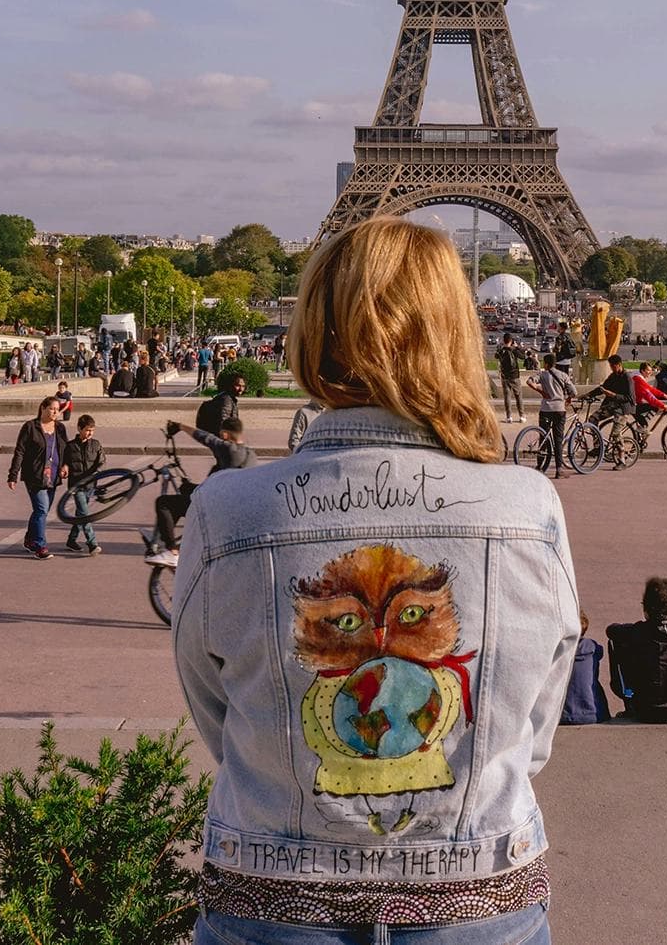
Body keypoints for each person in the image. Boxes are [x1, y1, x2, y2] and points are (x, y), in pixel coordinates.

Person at [173, 217, 577, 945]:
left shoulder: (225, 511)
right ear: (457, 333)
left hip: (274, 896)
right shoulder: (528, 507)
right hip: (478, 895)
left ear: (311, 329)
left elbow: (222, 720)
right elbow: (530, 731)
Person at [146, 418, 257, 567]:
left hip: (214, 507)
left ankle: (172, 552)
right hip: (233, 507)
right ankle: (169, 538)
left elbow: (205, 437)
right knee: (186, 490)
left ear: (225, 435)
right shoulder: (252, 456)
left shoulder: (228, 449)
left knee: (164, 503)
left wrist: (180, 426)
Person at [607, 576, 667, 724]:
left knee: (616, 643)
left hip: (644, 711)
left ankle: (628, 699)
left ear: (646, 608)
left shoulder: (636, 631)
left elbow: (611, 630)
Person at [7, 396, 69, 560]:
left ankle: (30, 539)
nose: (55, 412)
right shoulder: (30, 427)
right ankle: (40, 546)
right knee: (41, 510)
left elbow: (65, 450)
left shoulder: (60, 428)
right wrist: (13, 475)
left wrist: (65, 465)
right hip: (35, 475)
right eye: (52, 408)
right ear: (43, 408)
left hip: (54, 475)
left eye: (57, 409)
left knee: (42, 510)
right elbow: (19, 451)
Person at [527, 351, 578, 478]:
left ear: (546, 363)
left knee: (543, 438)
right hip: (559, 410)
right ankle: (559, 469)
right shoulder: (563, 375)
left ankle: (540, 466)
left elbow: (529, 381)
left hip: (545, 409)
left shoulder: (543, 374)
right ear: (554, 364)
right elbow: (574, 392)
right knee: (558, 439)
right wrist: (568, 399)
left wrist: (540, 391)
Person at [63, 414, 104, 554]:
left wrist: (97, 471)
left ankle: (71, 540)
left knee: (80, 513)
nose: (90, 433)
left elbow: (102, 461)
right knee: (85, 513)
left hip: (91, 485)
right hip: (76, 485)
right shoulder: (70, 446)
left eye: (92, 430)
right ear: (79, 429)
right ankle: (92, 543)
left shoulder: (96, 444)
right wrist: (65, 467)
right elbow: (65, 462)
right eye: (87, 430)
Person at [560, 613, 609, 724]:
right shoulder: (592, 646)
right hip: (594, 713)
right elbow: (600, 653)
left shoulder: (559, 650)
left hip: (563, 715)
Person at [582, 352, 633, 431]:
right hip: (611, 405)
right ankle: (598, 441)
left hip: (623, 408)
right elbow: (602, 388)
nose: (611, 368)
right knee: (592, 419)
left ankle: (619, 442)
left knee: (615, 435)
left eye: (613, 366)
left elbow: (630, 397)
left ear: (619, 364)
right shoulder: (613, 376)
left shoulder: (627, 378)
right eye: (610, 366)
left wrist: (613, 395)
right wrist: (588, 394)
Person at [195, 369, 247, 434]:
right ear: (230, 385)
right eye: (237, 385)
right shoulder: (226, 400)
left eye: (243, 386)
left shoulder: (227, 397)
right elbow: (223, 421)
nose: (241, 389)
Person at [495, 332, 525, 423]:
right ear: (511, 341)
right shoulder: (514, 350)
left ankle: (509, 416)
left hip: (505, 376)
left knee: (507, 397)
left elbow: (496, 356)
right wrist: (517, 347)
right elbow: (523, 356)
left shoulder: (502, 350)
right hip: (515, 375)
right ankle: (522, 416)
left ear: (504, 340)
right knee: (518, 396)